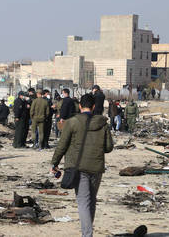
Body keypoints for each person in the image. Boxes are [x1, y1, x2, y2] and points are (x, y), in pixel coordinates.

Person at [51, 93, 114, 237]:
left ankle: (87, 234)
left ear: (80, 106)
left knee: (83, 202)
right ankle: (87, 232)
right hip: (96, 167)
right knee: (91, 201)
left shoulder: (72, 122)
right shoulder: (102, 123)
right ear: (93, 107)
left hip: (78, 167)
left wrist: (55, 162)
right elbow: (109, 147)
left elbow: (62, 145)